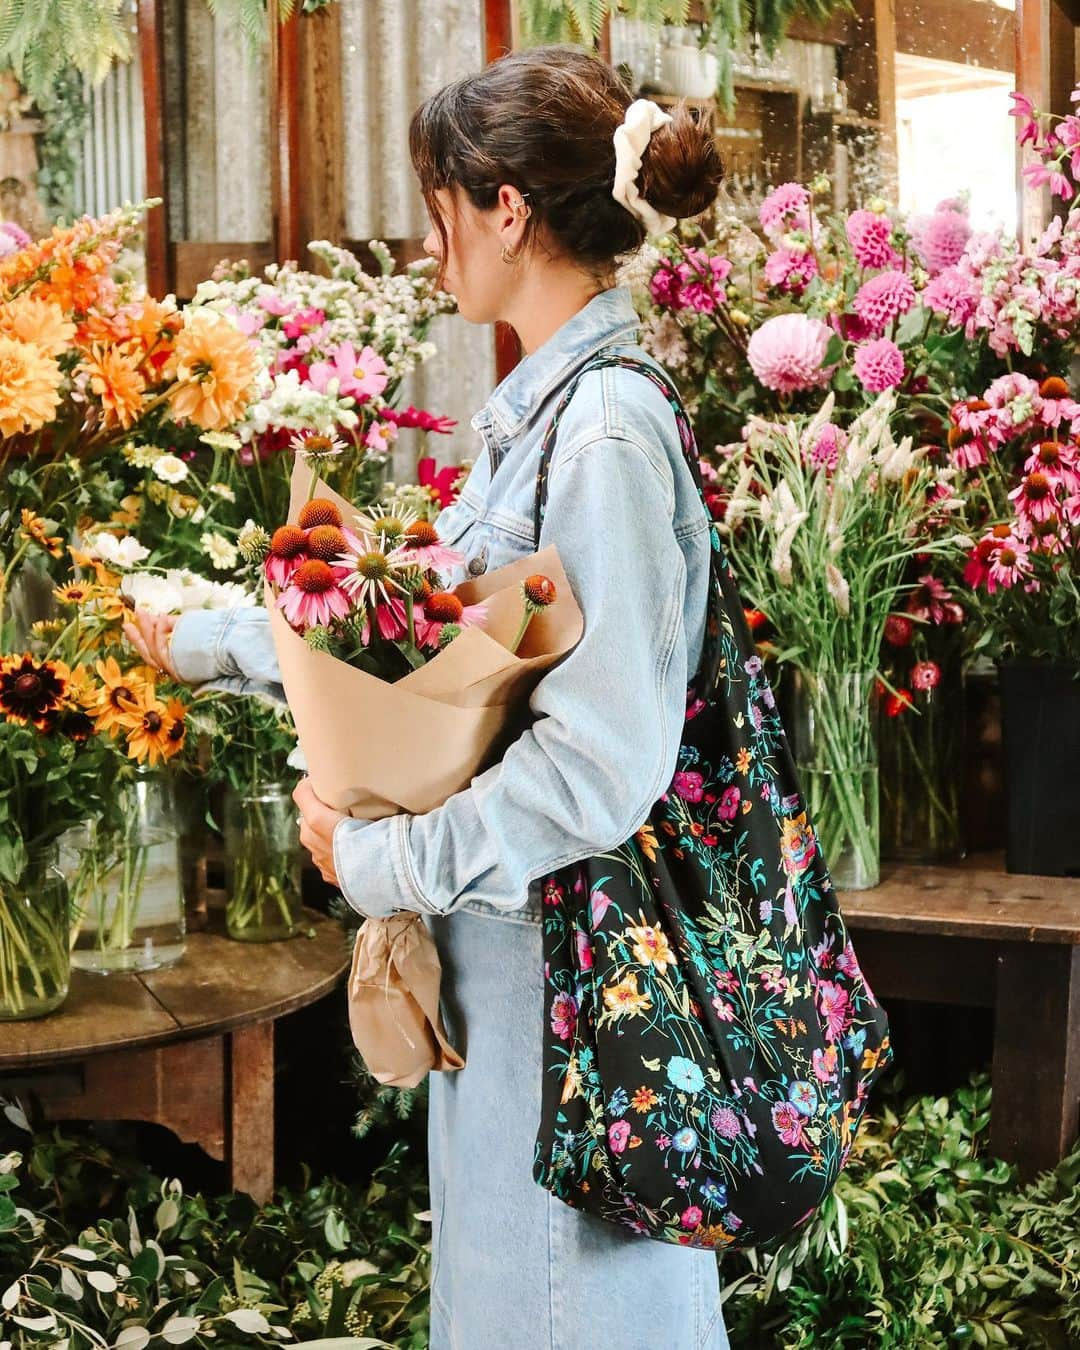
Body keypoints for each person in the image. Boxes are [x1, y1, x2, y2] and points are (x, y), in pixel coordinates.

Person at [126, 45, 729, 1350]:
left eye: (437, 200)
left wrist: (390, 855)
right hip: (513, 981)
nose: (426, 239)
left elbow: (604, 761)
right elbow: (415, 614)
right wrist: (205, 638)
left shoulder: (606, 432)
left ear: (505, 206)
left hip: (577, 1002)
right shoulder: (541, 416)